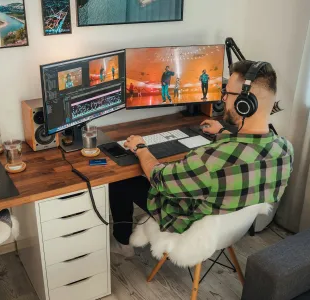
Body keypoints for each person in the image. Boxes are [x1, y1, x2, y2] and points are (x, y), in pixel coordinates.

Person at [109, 60, 294, 257]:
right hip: (232, 229)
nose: (223, 97)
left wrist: (141, 148)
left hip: (189, 225)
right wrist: (222, 131)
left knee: (122, 182)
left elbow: (159, 178)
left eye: (228, 93)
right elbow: (248, 150)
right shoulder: (285, 150)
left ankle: (123, 244)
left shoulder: (209, 161)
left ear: (245, 103)